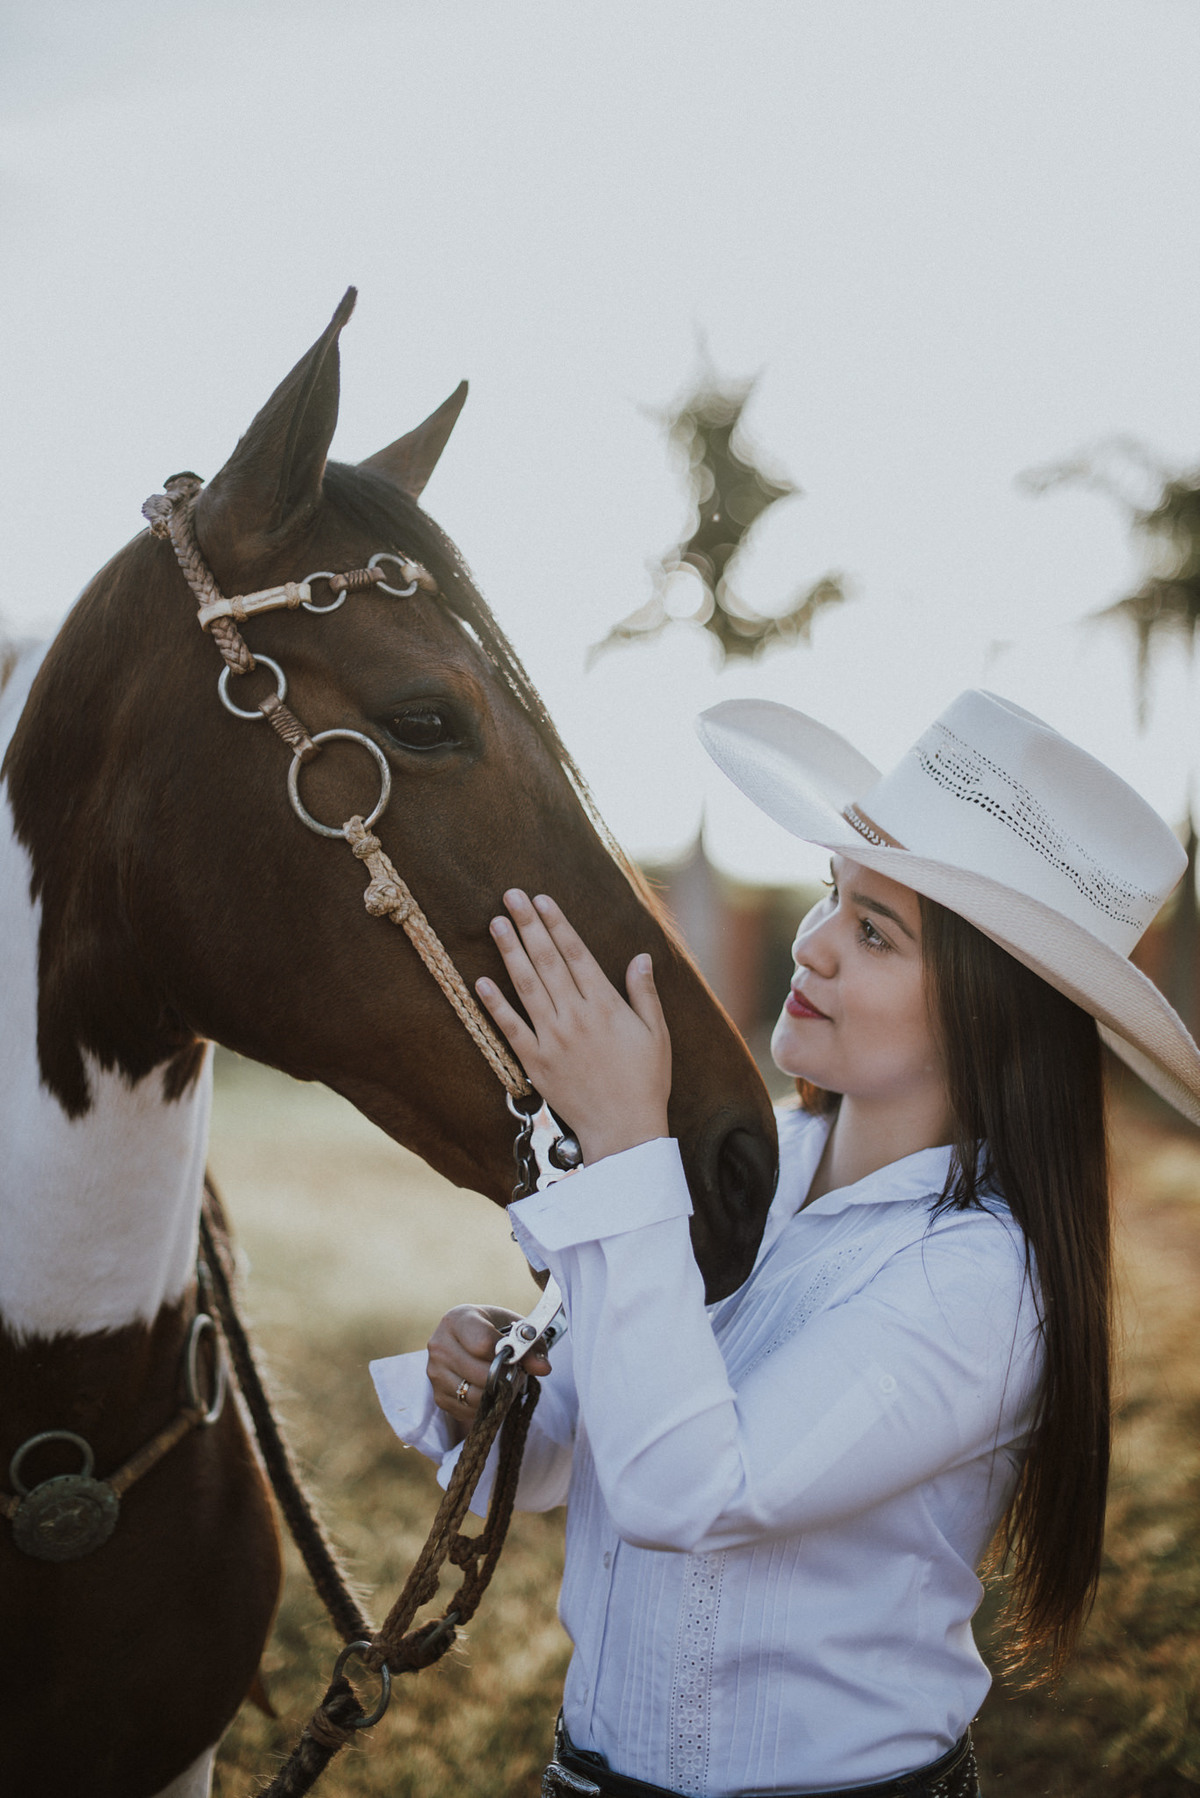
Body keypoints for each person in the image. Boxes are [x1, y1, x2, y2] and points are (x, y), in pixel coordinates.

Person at [370, 689, 1200, 1798]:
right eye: (832, 898)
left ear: (986, 1005)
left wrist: (625, 1146)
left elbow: (687, 1495)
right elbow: (585, 1452)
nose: (812, 946)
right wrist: (504, 1388)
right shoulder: (754, 1168)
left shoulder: (987, 1283)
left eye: (874, 932)